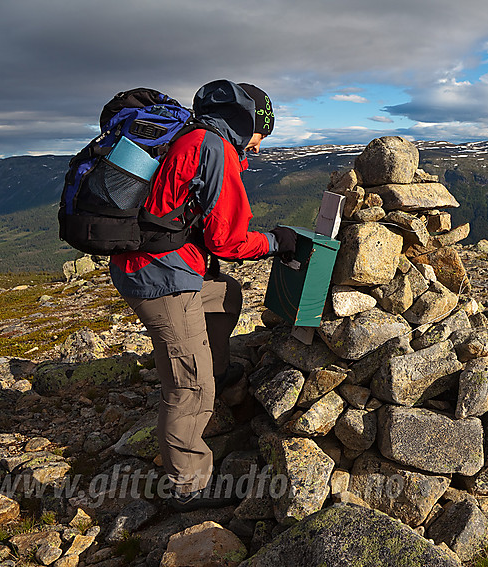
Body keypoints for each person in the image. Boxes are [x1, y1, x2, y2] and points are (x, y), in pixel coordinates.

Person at [109, 79, 295, 511]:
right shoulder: (214, 150)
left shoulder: (196, 138)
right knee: (189, 387)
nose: (260, 147)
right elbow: (228, 242)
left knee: (226, 294)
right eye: (260, 135)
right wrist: (274, 241)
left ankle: (221, 373)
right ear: (245, 121)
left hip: (166, 265)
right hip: (160, 278)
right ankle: (187, 485)